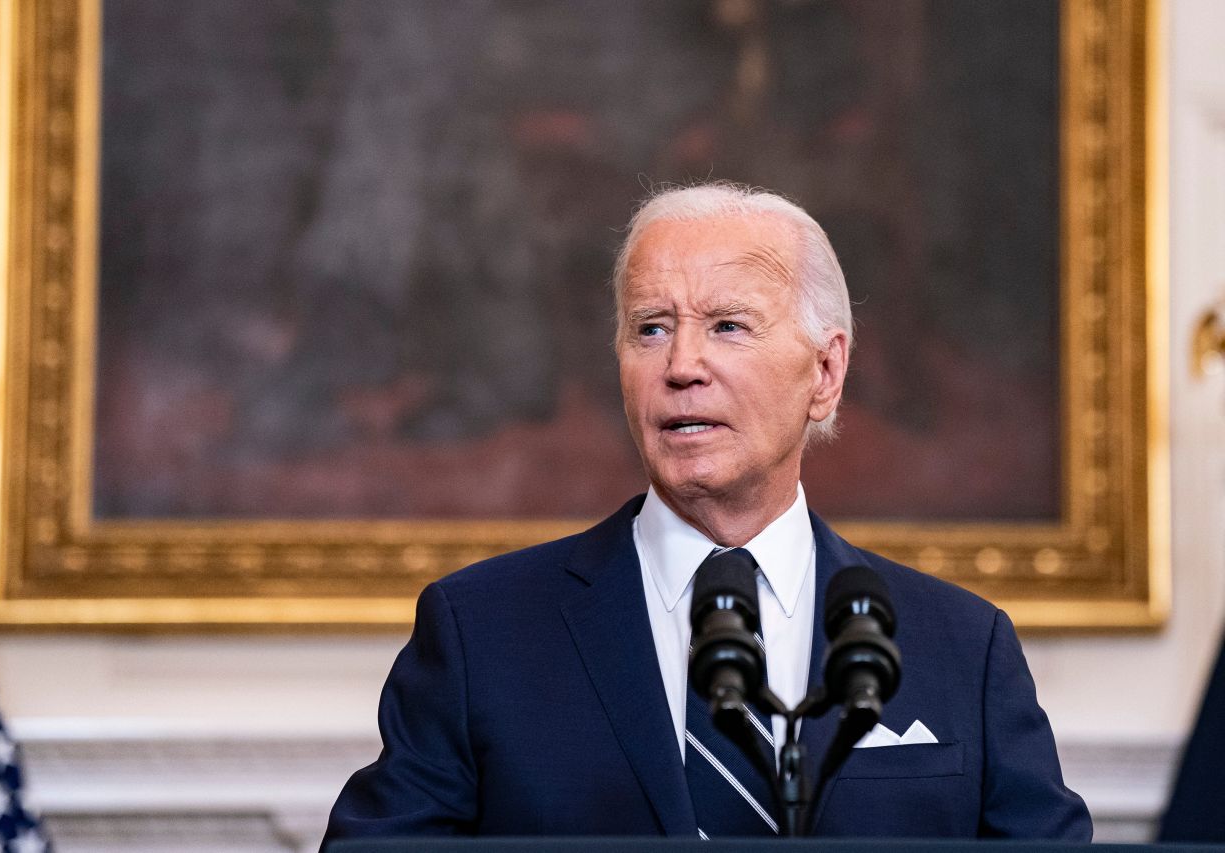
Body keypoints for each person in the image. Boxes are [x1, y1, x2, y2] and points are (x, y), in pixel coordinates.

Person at [321, 183, 1092, 843]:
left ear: (825, 372)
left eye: (727, 325)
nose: (682, 366)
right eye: (650, 328)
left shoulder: (962, 644)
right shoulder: (480, 632)